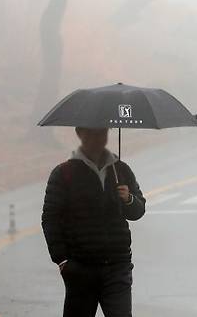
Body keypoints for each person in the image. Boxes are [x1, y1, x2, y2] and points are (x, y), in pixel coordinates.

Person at [41, 127, 146, 317]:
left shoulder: (121, 170)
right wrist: (62, 259)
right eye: (91, 133)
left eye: (102, 132)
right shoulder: (64, 173)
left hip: (117, 266)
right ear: (80, 134)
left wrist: (128, 198)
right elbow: (50, 217)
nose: (98, 138)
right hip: (80, 269)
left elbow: (138, 211)